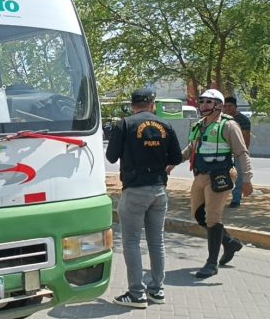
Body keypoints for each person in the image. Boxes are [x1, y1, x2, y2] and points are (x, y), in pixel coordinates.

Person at [106, 88, 182, 309]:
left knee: (131, 241)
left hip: (135, 190)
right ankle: (157, 291)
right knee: (156, 242)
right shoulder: (165, 125)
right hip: (159, 190)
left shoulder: (125, 124)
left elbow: (111, 157)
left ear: (132, 105)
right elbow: (176, 157)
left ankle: (137, 294)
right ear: (152, 104)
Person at [167, 88, 253, 279]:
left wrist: (247, 179)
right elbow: (191, 149)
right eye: (202, 101)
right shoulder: (200, 125)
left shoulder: (229, 126)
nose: (203, 105)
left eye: (208, 102)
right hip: (200, 176)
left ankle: (211, 264)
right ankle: (229, 243)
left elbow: (241, 153)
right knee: (198, 215)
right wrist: (173, 162)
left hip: (220, 176)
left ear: (218, 105)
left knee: (213, 218)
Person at [222, 96, 251, 208]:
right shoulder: (221, 119)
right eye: (225, 106)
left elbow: (246, 138)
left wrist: (243, 154)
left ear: (235, 107)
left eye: (230, 106)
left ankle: (236, 199)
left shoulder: (243, 120)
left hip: (238, 151)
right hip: (224, 151)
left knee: (238, 176)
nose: (227, 108)